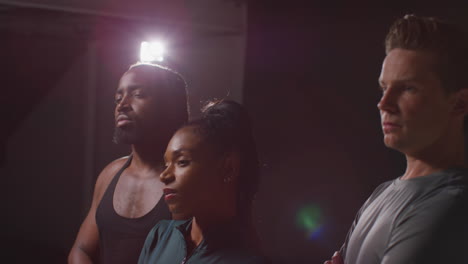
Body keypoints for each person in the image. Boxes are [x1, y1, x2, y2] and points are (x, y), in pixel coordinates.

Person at [326, 15, 468, 264]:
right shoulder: (381, 193)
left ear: (459, 103)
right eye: (384, 88)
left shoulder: (452, 205)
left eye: (407, 88)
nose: (384, 103)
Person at [68, 63, 189, 264]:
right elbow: (81, 249)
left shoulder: (187, 179)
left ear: (169, 105)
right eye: (118, 98)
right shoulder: (110, 174)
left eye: (138, 94)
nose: (122, 104)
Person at [138, 100, 269, 263]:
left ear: (228, 168)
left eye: (182, 162)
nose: (164, 176)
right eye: (166, 164)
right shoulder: (160, 236)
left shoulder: (248, 260)